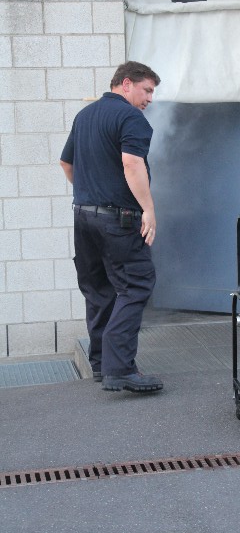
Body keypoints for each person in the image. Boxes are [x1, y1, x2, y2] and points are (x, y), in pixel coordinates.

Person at [60, 61, 164, 394]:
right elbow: (132, 163)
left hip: (83, 217)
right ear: (127, 83)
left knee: (99, 289)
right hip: (118, 220)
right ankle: (119, 369)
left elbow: (66, 163)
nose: (149, 99)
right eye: (147, 90)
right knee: (136, 284)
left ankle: (102, 364)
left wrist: (92, 193)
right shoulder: (130, 117)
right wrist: (148, 209)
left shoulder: (84, 116)